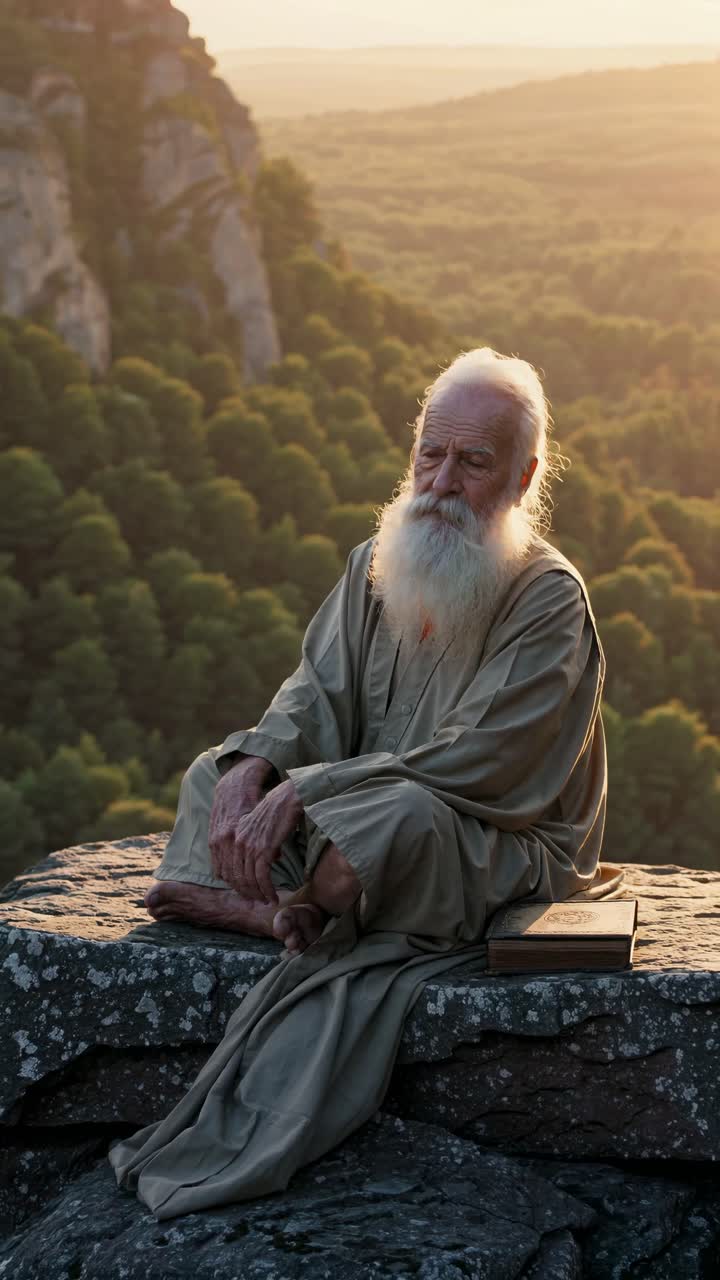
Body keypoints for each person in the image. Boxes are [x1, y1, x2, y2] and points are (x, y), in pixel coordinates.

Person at [110, 347, 618, 1219]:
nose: (442, 479)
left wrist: (307, 792)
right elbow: (313, 693)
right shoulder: (376, 562)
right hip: (365, 812)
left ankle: (272, 904)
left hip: (493, 837)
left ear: (525, 475)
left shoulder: (547, 597)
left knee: (394, 818)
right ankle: (290, 910)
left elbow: (489, 758)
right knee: (216, 774)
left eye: (474, 461)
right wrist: (260, 769)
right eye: (430, 452)